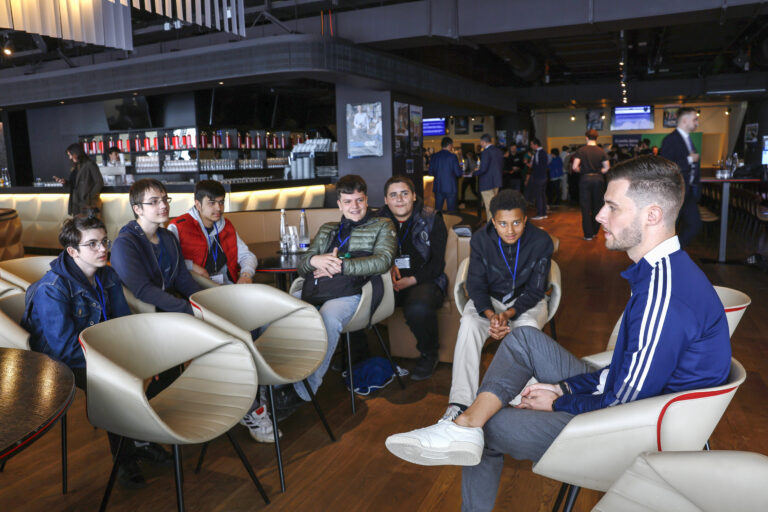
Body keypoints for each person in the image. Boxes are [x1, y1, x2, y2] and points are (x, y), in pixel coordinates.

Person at [385, 156, 732, 512]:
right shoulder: (665, 272)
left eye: (612, 207)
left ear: (652, 215)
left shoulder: (665, 294)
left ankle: (466, 425)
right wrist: (563, 387)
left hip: (637, 428)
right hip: (637, 402)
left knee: (486, 430)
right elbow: (631, 372)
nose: (598, 215)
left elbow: (624, 401)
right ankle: (466, 419)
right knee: (521, 340)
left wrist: (558, 401)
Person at [22, 215, 171, 489]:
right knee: (115, 386)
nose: (102, 249)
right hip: (60, 362)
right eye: (92, 244)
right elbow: (65, 349)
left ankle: (139, 436)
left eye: (104, 242)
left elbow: (122, 323)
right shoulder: (53, 289)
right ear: (72, 251)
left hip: (102, 350)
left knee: (167, 366)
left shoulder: (108, 275)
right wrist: (115, 362)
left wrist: (140, 354)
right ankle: (126, 457)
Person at [276, 175, 396, 417]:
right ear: (339, 205)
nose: (355, 206)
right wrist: (315, 259)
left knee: (327, 319)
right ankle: (276, 382)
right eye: (348, 201)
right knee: (280, 318)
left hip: (357, 292)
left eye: (359, 200)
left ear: (366, 200)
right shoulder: (328, 229)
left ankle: (303, 391)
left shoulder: (383, 225)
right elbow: (302, 267)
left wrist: (340, 265)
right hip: (318, 289)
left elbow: (383, 260)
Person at [438, 189, 552, 422]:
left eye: (516, 222)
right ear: (493, 221)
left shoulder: (541, 241)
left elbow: (536, 290)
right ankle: (460, 402)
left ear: (525, 220)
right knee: (469, 323)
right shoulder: (481, 239)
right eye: (502, 223)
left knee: (527, 327)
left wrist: (509, 314)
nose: (510, 230)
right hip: (490, 301)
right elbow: (476, 285)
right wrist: (492, 316)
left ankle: (525, 400)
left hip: (525, 302)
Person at [378, 175, 448, 380]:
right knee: (355, 298)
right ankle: (358, 356)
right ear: (386, 200)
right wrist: (386, 266)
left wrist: (412, 280)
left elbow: (437, 264)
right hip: (386, 281)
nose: (399, 199)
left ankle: (429, 353)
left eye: (404, 193)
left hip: (425, 280)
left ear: (414, 196)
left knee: (418, 308)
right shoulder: (377, 220)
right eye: (393, 195)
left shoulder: (432, 218)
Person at [111, 178, 201, 314]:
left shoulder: (168, 237)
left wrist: (204, 303)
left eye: (165, 199)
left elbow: (183, 279)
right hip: (147, 314)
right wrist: (188, 310)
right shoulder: (124, 244)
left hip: (173, 306)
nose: (163, 206)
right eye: (154, 202)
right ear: (137, 209)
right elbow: (143, 290)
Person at [168, 180, 256, 285]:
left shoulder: (226, 225)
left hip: (226, 286)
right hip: (195, 288)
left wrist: (246, 275)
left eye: (221, 202)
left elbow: (247, 256)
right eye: (212, 203)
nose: (218, 208)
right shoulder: (178, 226)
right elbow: (169, 260)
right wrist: (192, 266)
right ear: (198, 205)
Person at [660, 107, 702, 248]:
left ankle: (673, 251)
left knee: (694, 225)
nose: (697, 122)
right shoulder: (671, 140)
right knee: (669, 229)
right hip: (675, 192)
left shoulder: (687, 139)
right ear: (685, 120)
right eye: (695, 119)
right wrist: (689, 160)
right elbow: (666, 167)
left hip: (688, 192)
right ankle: (662, 257)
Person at [571, 129, 610, 240]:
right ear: (597, 138)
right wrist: (599, 172)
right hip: (598, 179)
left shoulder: (581, 150)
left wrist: (582, 171)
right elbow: (607, 168)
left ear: (586, 137)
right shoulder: (601, 151)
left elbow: (574, 167)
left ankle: (588, 235)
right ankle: (595, 232)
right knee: (597, 206)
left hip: (585, 179)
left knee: (585, 207)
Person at [54, 143, 104, 216]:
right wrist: (65, 182)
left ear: (76, 153)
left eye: (70, 155)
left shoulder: (89, 164)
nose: (70, 158)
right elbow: (75, 185)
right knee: (79, 226)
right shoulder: (76, 166)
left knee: (90, 226)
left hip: (88, 204)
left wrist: (89, 197)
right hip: (76, 204)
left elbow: (99, 182)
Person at [428, 137, 463, 212]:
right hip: (450, 187)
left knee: (438, 211)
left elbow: (430, 172)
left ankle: (438, 223)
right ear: (450, 145)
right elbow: (458, 173)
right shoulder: (452, 157)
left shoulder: (434, 156)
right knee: (451, 211)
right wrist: (461, 170)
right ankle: (451, 223)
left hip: (438, 187)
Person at [475, 134, 503, 221]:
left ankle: (491, 228)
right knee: (495, 206)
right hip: (497, 181)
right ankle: (497, 225)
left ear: (484, 142)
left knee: (489, 207)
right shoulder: (498, 151)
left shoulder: (485, 152)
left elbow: (483, 169)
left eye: (481, 142)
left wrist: (474, 172)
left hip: (487, 183)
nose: (480, 144)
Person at [526, 138, 548, 219]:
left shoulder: (538, 153)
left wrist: (528, 164)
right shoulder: (544, 152)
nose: (531, 146)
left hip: (538, 177)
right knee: (543, 195)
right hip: (544, 176)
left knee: (538, 196)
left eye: (531, 144)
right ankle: (544, 213)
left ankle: (540, 214)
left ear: (536, 145)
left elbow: (535, 166)